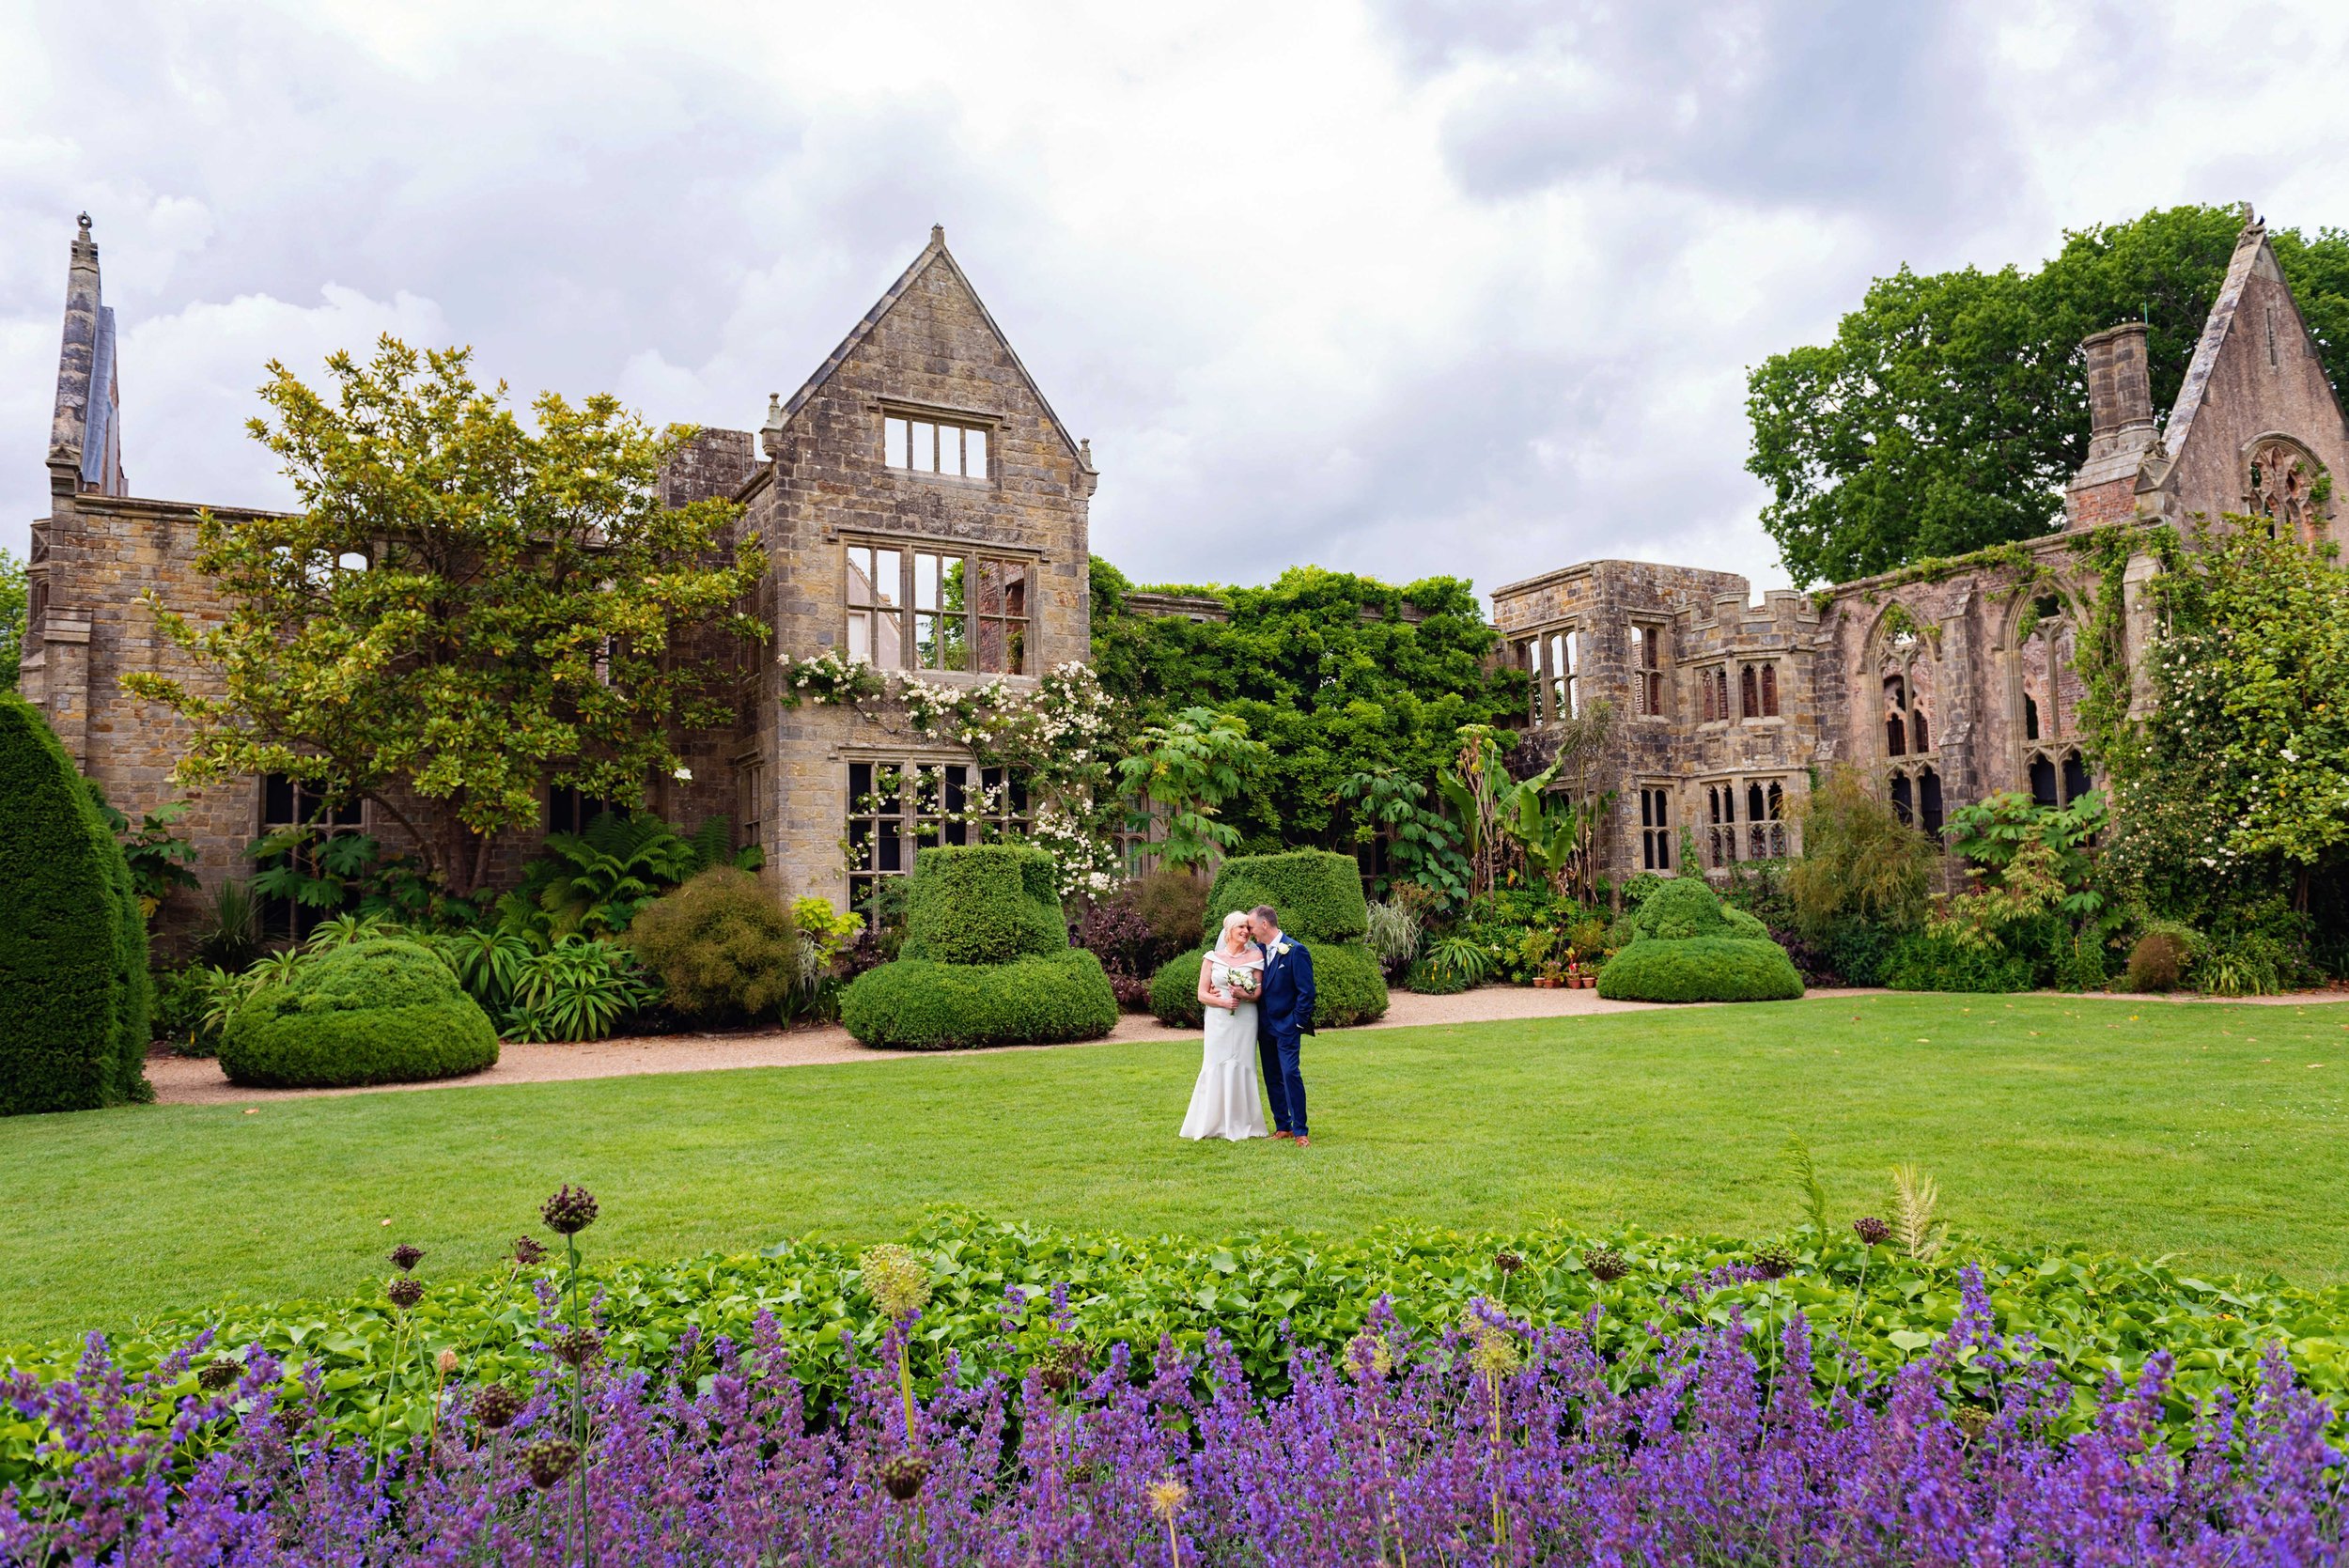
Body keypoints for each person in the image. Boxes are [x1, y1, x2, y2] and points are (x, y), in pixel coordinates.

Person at [1179, 911, 1270, 1141]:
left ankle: (1243, 1123)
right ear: (1228, 930)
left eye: (1247, 928)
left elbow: (1258, 991)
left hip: (1245, 1019)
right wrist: (1222, 1001)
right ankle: (1211, 1122)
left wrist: (1244, 994)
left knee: (1243, 1063)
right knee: (1215, 1063)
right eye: (1240, 927)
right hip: (1218, 1020)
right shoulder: (1212, 957)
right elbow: (1201, 994)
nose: (1245, 932)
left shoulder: (1256, 956)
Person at [1249, 903, 1316, 1147]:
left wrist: (1296, 1023)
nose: (1250, 931)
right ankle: (1282, 1126)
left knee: (1290, 1074)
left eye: (1252, 926)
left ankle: (1301, 1131)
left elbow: (1306, 992)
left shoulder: (1296, 951)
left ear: (1265, 924)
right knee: (1272, 1077)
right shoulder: (1257, 950)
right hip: (1264, 1027)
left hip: (1287, 1026)